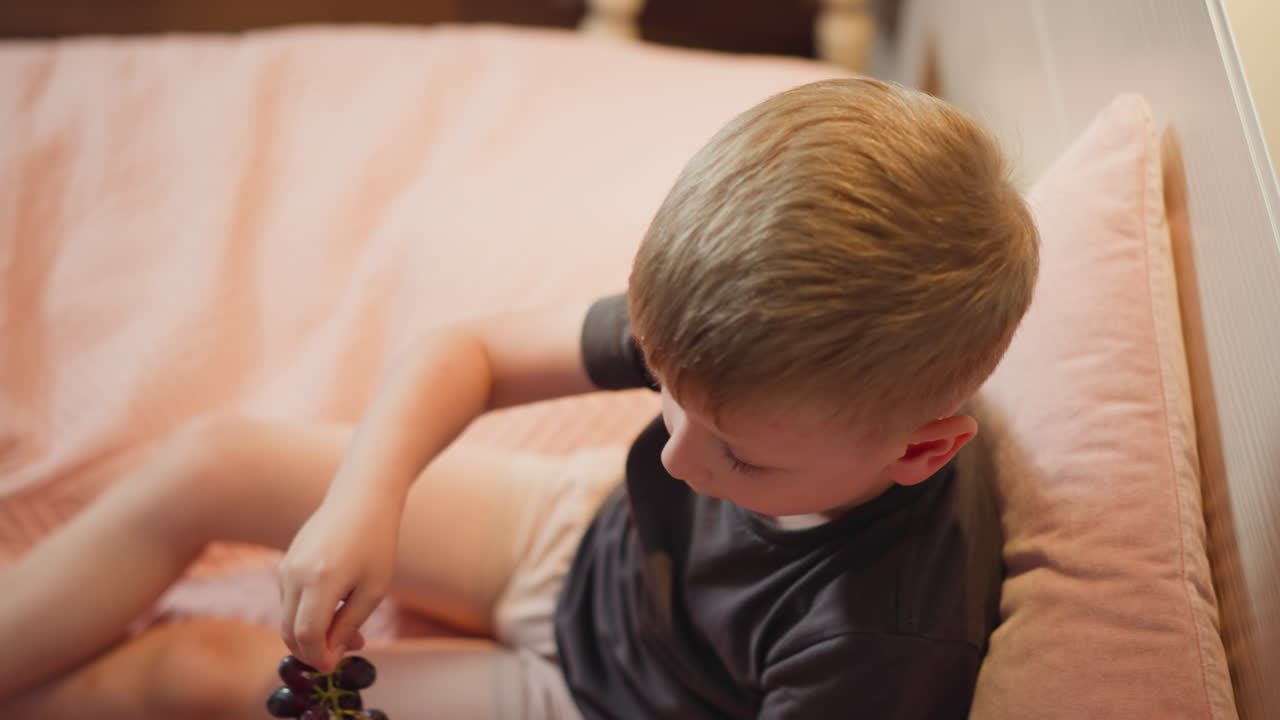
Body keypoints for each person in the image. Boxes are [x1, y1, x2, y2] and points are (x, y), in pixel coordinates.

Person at [0, 77, 1037, 719]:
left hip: (610, 702)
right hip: (582, 541)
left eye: (739, 459)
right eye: (667, 401)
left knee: (189, 679)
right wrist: (371, 494)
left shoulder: (879, 643)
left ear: (919, 453)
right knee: (213, 460)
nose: (677, 461)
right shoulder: (747, 336)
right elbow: (472, 354)